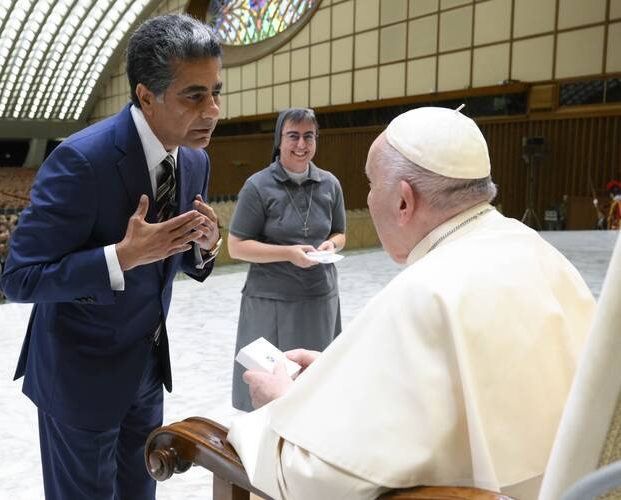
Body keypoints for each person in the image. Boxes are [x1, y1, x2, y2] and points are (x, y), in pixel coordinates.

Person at [227, 106, 596, 500]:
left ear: (404, 201)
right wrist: (347, 377)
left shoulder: (424, 292)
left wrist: (284, 406)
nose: (368, 199)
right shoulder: (535, 248)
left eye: (371, 185)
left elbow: (320, 480)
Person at [0, 13, 223, 500]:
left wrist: (205, 246)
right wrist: (118, 258)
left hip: (146, 368)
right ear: (146, 96)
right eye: (194, 95)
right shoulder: (81, 160)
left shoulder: (196, 158)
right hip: (79, 375)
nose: (213, 110)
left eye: (215, 91)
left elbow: (176, 256)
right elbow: (18, 278)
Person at [228, 108, 346, 411]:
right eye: (293, 136)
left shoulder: (330, 184)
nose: (301, 144)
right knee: (269, 392)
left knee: (315, 387)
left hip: (319, 298)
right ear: (279, 141)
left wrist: (330, 244)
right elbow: (236, 246)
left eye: (309, 136)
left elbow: (339, 232)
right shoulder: (257, 186)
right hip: (271, 304)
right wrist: (288, 254)